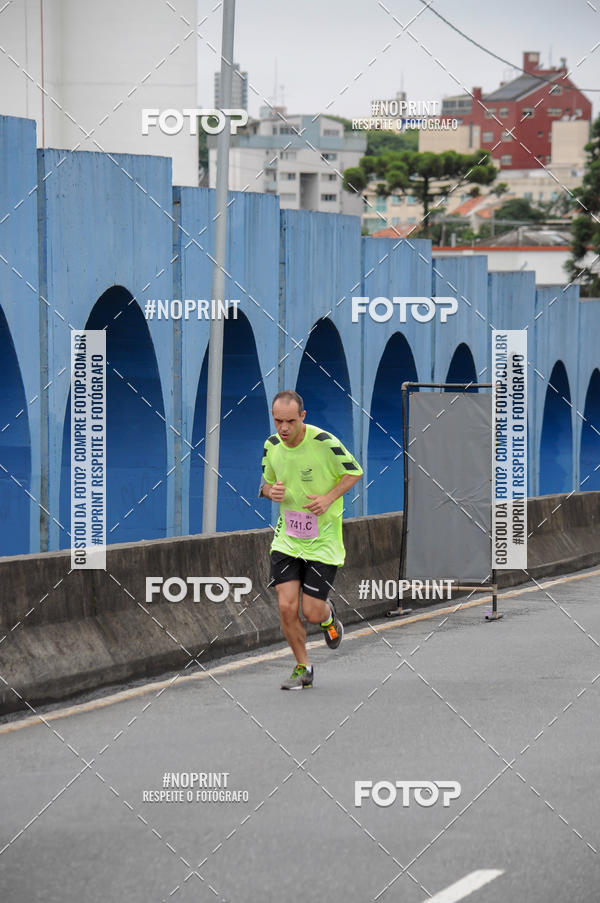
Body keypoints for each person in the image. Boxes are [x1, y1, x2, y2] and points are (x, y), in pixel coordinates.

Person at [259, 390, 363, 690]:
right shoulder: (271, 445)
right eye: (278, 421)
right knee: (286, 607)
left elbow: (354, 471)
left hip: (322, 541)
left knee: (311, 611)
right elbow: (265, 483)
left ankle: (329, 618)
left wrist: (329, 498)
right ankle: (303, 667)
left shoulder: (324, 442)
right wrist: (269, 492)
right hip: (287, 540)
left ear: (302, 417)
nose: (284, 429)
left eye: (290, 421)